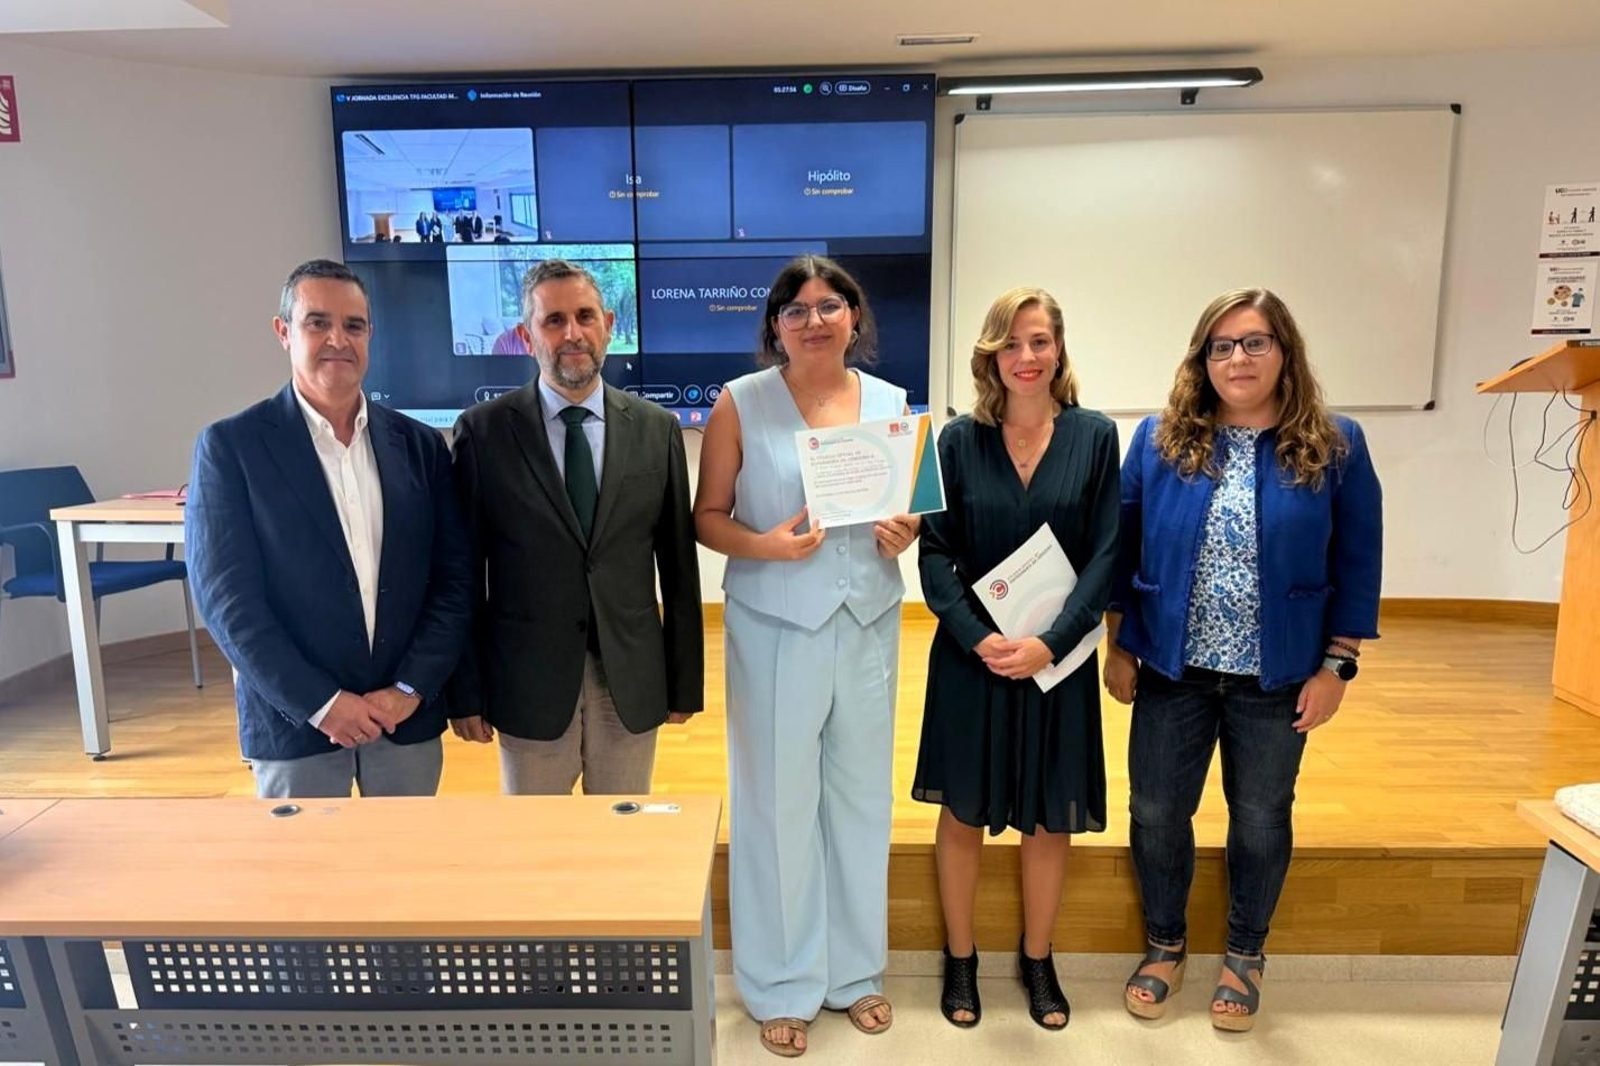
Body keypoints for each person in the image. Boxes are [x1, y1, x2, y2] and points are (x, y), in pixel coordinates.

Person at [1107, 287, 1382, 1031]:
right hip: (1172, 669)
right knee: (1157, 811)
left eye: (1255, 342)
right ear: (1202, 359)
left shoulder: (1336, 443)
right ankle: (1165, 944)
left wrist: (1338, 665)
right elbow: (1123, 550)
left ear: (1284, 351)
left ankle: (1244, 955)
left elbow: (1359, 559)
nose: (1238, 358)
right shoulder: (1159, 440)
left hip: (1278, 676)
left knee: (1260, 817)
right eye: (1221, 346)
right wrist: (1119, 644)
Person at [694, 255, 919, 1057]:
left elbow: (907, 514)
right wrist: (765, 546)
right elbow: (707, 515)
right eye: (796, 309)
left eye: (830, 305)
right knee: (776, 804)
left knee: (860, 801)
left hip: (867, 621)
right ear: (776, 326)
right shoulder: (741, 402)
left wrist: (905, 532)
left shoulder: (893, 405)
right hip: (775, 625)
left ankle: (854, 972)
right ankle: (782, 982)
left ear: (854, 318)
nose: (814, 320)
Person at [186, 259, 472, 798]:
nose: (338, 339)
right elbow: (227, 602)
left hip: (403, 719)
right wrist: (321, 704)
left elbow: (453, 580)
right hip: (297, 726)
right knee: (307, 858)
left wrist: (410, 688)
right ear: (284, 332)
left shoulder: (421, 447)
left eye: (353, 325)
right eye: (317, 323)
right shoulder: (232, 448)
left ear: (370, 335)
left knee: (406, 854)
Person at [913, 286, 1120, 1031]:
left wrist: (1050, 643)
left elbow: (1106, 553)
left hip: (1055, 664)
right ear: (990, 355)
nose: (1025, 357)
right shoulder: (955, 442)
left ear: (1059, 349)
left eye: (1039, 341)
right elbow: (935, 555)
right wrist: (979, 638)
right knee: (961, 811)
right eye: (1010, 343)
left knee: (1048, 817)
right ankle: (960, 958)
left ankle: (1038, 959)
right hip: (973, 658)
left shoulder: (1096, 437)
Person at [449, 259, 703, 796]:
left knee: (623, 833)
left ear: (608, 325)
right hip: (527, 682)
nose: (572, 334)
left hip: (630, 678)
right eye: (553, 320)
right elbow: (464, 574)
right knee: (538, 840)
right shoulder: (483, 433)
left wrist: (685, 681)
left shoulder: (656, 429)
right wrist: (465, 691)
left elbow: (680, 568)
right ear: (526, 336)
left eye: (585, 316)